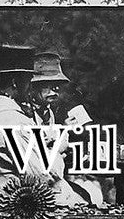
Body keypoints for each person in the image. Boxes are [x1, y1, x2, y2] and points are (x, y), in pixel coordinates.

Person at [0, 44, 79, 205]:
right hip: (17, 202)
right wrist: (58, 149)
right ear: (15, 82)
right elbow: (45, 174)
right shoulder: (13, 120)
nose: (29, 87)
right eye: (27, 80)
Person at [27, 52, 97, 206]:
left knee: (87, 197)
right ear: (33, 87)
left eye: (57, 84)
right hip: (33, 188)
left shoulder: (49, 111)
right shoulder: (25, 113)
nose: (55, 89)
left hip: (53, 179)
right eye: (48, 85)